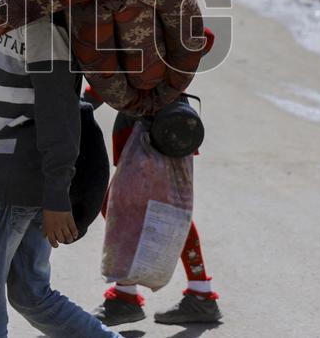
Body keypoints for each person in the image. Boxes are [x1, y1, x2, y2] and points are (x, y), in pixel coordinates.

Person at [0, 14, 120, 338]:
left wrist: (57, 196)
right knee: (29, 293)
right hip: (19, 172)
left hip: (18, 176)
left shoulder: (45, 31)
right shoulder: (12, 19)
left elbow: (59, 115)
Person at [91, 100, 222, 327]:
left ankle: (128, 297)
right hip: (146, 116)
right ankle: (128, 293)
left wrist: (86, 100)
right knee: (141, 207)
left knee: (162, 210)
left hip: (159, 122)